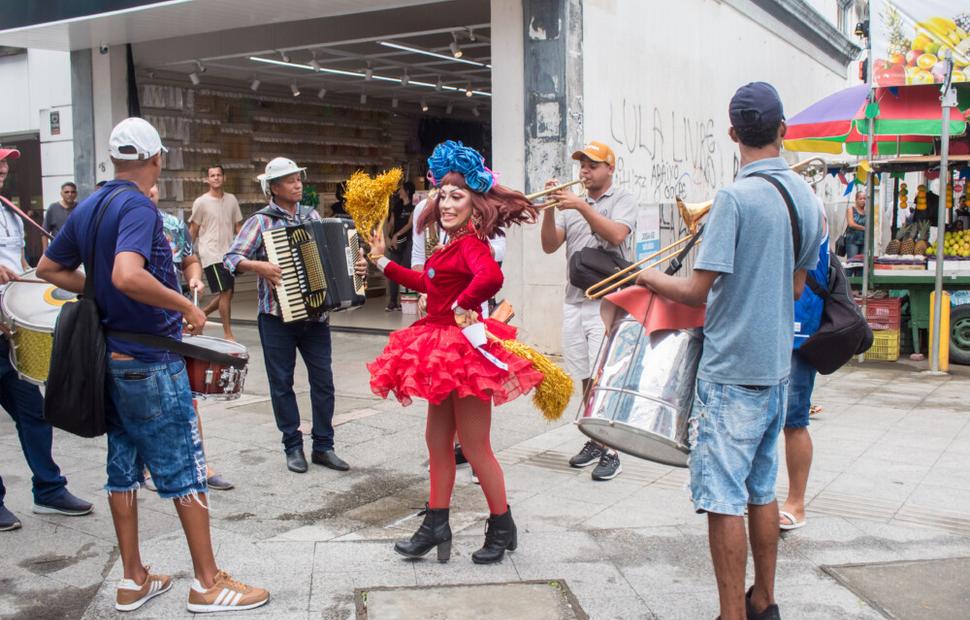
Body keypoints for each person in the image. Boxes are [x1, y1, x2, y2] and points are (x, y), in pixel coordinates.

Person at [37, 118, 269, 613]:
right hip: (147, 360)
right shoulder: (138, 206)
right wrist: (184, 307)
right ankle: (208, 584)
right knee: (185, 468)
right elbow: (127, 273)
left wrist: (95, 288)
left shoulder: (90, 204)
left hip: (110, 361)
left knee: (122, 470)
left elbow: (49, 269)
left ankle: (133, 578)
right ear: (155, 158)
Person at [634, 83, 822, 620]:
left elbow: (695, 291)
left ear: (733, 134)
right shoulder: (806, 199)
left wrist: (649, 276)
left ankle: (729, 614)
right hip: (775, 368)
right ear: (783, 129)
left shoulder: (735, 200)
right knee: (762, 489)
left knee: (722, 497)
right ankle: (764, 602)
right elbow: (791, 289)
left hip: (730, 370)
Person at [367, 140, 541, 565]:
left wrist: (464, 303)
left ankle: (502, 524)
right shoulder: (449, 246)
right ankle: (436, 523)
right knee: (436, 441)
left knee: (477, 446)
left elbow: (491, 277)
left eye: (456, 196)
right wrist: (381, 262)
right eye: (441, 195)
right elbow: (428, 284)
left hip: (464, 353)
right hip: (441, 351)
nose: (445, 203)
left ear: (475, 204)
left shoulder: (472, 245)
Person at [224, 157, 368, 474]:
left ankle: (323, 446)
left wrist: (357, 269)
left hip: (315, 319)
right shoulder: (259, 222)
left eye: (299, 178)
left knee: (324, 383)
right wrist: (257, 266)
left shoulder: (312, 216)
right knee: (281, 384)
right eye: (290, 180)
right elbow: (231, 258)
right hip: (276, 319)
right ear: (273, 188)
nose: (298, 184)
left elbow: (339, 258)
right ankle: (292, 446)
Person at [0, 148, 93, 533]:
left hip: (6, 330)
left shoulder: (8, 209)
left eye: (5, 163)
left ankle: (48, 489)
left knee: (33, 412)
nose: (4, 169)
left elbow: (19, 262)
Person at [540, 140, 636, 482]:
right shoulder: (570, 204)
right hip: (574, 300)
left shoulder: (622, 199)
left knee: (603, 376)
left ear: (610, 168)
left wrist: (581, 206)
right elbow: (550, 245)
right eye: (582, 165)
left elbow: (615, 234)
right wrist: (551, 208)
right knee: (583, 373)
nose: (584, 171)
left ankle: (613, 451)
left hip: (607, 302)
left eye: (593, 165)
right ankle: (595, 440)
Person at [153, 185, 233, 492]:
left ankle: (199, 462)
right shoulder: (122, 222)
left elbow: (189, 259)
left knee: (189, 396)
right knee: (151, 400)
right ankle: (148, 466)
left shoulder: (171, 224)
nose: (150, 191)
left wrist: (194, 276)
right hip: (139, 329)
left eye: (154, 186)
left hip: (175, 321)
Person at [779, 196, 829, 532]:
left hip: (798, 326)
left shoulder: (808, 204)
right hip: (766, 323)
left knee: (794, 418)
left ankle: (796, 502)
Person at [190, 165, 242, 342]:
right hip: (210, 254)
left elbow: (238, 227)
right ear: (207, 179)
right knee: (226, 291)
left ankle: (199, 314)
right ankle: (228, 334)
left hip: (229, 253)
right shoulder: (201, 202)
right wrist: (188, 254)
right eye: (212, 175)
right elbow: (194, 229)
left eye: (219, 175)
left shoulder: (232, 200)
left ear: (224, 178)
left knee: (226, 294)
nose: (216, 178)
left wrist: (244, 250)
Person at [385, 181, 416, 311]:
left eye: (401, 189)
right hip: (395, 243)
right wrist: (388, 235)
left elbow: (410, 224)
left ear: (407, 191)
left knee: (405, 270)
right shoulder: (396, 207)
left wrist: (397, 235)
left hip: (407, 241)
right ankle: (393, 301)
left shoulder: (414, 207)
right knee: (393, 271)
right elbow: (391, 223)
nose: (399, 192)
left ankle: (406, 301)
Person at [42, 181, 78, 249]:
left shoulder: (80, 208)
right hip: (58, 249)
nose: (70, 194)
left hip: (76, 249)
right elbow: (44, 231)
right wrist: (45, 251)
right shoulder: (53, 208)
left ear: (76, 194)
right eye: (66, 192)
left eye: (72, 192)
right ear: (61, 194)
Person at [844, 190, 866, 259]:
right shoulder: (851, 210)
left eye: (864, 199)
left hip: (863, 241)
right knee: (852, 262)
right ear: (856, 200)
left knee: (862, 264)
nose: (863, 200)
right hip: (852, 241)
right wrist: (864, 228)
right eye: (860, 198)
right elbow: (851, 224)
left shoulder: (866, 212)